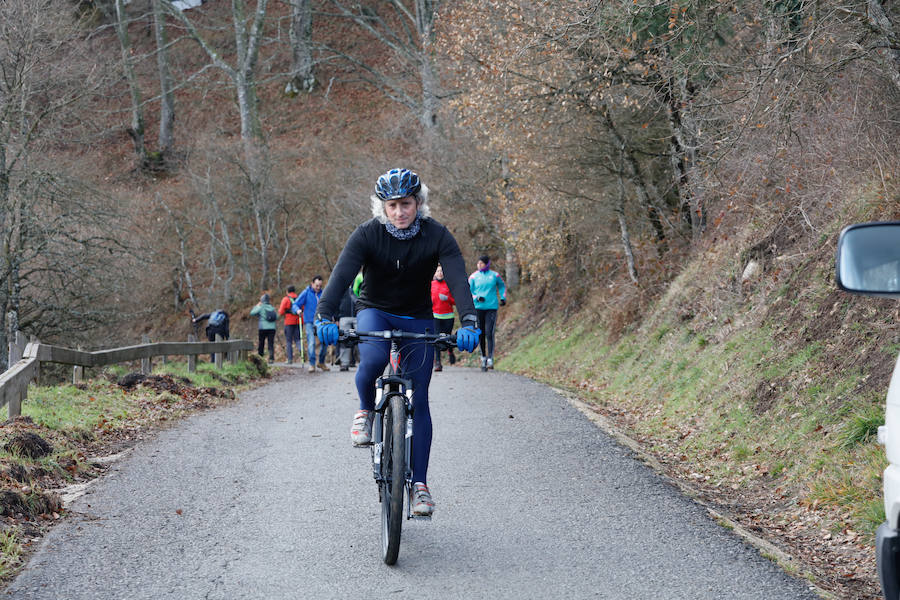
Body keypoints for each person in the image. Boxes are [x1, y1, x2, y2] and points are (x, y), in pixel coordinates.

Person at [314, 168, 480, 516]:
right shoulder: (367, 235)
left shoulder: (437, 236)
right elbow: (341, 275)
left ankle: (419, 485)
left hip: (417, 318)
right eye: (392, 205)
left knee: (420, 395)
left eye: (406, 204)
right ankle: (364, 410)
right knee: (373, 360)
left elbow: (458, 280)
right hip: (375, 310)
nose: (399, 212)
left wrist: (468, 321)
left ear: (418, 203)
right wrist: (324, 316)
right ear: (382, 207)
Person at [468, 254, 506, 370]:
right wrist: (476, 297)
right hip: (478, 307)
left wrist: (503, 297)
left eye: (481, 263)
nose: (479, 265)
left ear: (487, 264)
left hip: (491, 307)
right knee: (481, 333)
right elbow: (467, 290)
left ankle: (490, 358)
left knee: (489, 332)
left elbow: (502, 286)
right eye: (478, 263)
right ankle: (483, 357)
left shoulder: (495, 275)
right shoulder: (473, 277)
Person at [293, 275, 328, 372]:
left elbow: (328, 305)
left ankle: (321, 362)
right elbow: (295, 304)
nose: (318, 288)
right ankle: (312, 364)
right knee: (311, 342)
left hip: (322, 321)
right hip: (309, 321)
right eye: (316, 285)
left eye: (320, 286)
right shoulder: (306, 293)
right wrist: (298, 310)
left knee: (325, 341)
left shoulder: (323, 293)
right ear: (312, 284)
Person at [430, 264, 456, 372]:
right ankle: (438, 363)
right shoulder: (431, 284)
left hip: (448, 316)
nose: (440, 273)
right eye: (438, 271)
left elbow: (455, 301)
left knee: (447, 338)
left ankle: (450, 352)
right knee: (437, 338)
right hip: (435, 315)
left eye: (441, 271)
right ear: (434, 274)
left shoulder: (449, 284)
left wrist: (448, 299)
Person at [250, 293, 278, 363]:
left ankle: (260, 358)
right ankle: (271, 358)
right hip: (272, 328)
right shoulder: (272, 307)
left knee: (261, 343)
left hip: (263, 328)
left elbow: (252, 313)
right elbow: (276, 317)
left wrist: (257, 306)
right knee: (270, 343)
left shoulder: (261, 307)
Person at [279, 285, 302, 364]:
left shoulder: (286, 299)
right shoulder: (299, 298)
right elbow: (303, 308)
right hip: (299, 321)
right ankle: (302, 352)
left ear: (287, 291)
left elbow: (281, 311)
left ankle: (290, 359)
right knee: (298, 339)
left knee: (289, 341)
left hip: (289, 321)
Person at [336, 284, 357, 371]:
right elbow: (335, 302)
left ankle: (366, 362)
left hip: (358, 316)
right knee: (344, 339)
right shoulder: (341, 287)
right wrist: (336, 318)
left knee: (363, 339)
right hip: (344, 316)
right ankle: (344, 363)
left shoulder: (359, 285)